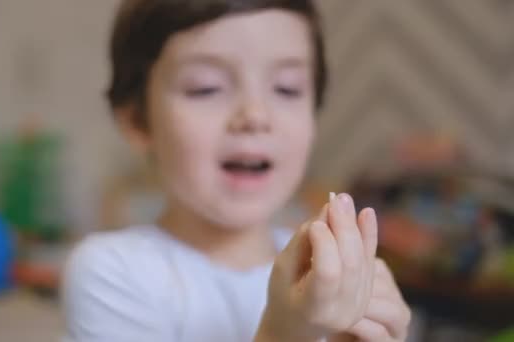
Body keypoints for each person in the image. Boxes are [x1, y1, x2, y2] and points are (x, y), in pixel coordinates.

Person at [63, 1, 411, 341]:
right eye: (206, 87)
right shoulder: (112, 273)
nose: (255, 115)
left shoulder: (328, 275)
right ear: (137, 121)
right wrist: (284, 333)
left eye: (287, 88)